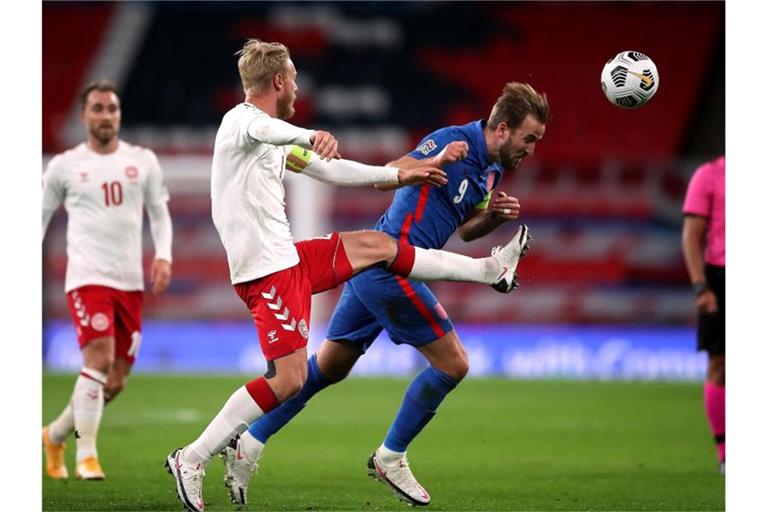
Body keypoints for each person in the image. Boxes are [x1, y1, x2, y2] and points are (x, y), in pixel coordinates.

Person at [164, 39, 533, 512]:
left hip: (290, 257)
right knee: (290, 379)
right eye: (294, 78)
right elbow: (271, 130)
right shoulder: (243, 123)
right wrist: (306, 134)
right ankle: (192, 457)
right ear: (278, 81)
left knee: (378, 248)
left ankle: (487, 269)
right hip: (265, 271)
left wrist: (407, 174)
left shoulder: (273, 144)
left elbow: (334, 172)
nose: (297, 85)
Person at [42, 80, 173, 480]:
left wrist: (164, 255)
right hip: (87, 276)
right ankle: (87, 456)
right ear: (83, 115)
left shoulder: (143, 161)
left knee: (113, 380)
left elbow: (159, 213)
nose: (105, 115)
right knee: (96, 360)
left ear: (119, 114)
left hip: (129, 281)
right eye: (97, 108)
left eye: (111, 108)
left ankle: (54, 434)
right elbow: (39, 217)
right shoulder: (64, 166)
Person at [681, 155, 725, 474]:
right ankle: (726, 452)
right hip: (722, 278)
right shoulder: (709, 175)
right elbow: (692, 236)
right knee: (720, 364)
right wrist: (701, 287)